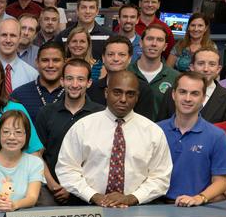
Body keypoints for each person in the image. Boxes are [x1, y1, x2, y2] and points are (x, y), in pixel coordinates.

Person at [55, 70, 172, 207]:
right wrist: (93, 196)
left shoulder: (153, 132)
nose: (123, 99)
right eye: (117, 92)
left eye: (130, 94)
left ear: (137, 97)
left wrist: (132, 198)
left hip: (137, 209)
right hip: (89, 207)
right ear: (106, 93)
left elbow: (160, 177)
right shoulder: (83, 127)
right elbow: (67, 169)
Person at [158, 72, 226, 207]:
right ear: (174, 94)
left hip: (197, 207)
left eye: (194, 93)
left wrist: (200, 198)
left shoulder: (217, 136)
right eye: (182, 92)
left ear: (203, 98)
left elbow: (221, 181)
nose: (187, 98)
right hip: (156, 206)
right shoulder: (156, 131)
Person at [36, 57, 103, 204]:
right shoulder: (46, 113)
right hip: (52, 191)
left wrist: (76, 188)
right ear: (62, 81)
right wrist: (54, 186)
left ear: (89, 83)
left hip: (90, 191)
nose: (74, 84)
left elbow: (101, 159)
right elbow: (37, 154)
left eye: (80, 79)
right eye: (69, 79)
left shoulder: (101, 114)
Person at [0, 110, 44, 211]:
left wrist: (14, 205)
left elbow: (32, 198)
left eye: (18, 132)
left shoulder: (35, 163)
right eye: (6, 132)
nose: (12, 137)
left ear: (27, 135)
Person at [164, 46, 226, 123]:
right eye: (201, 63)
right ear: (192, 67)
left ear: (218, 69)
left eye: (212, 64)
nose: (206, 69)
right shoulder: (172, 92)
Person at [130, 21, 176, 120]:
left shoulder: (175, 78)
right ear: (141, 43)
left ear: (165, 47)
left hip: (162, 133)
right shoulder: (125, 73)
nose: (154, 44)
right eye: (150, 39)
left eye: (159, 40)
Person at [10, 42, 65, 120]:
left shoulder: (73, 94)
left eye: (56, 60)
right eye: (45, 60)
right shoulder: (19, 95)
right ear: (37, 62)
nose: (50, 65)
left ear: (64, 63)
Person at [0, 17, 38, 92]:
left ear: (20, 38)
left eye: (13, 35)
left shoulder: (32, 74)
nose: (8, 40)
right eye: (4, 35)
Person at [87, 35, 135, 104]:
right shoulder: (91, 89)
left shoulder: (141, 89)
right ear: (103, 58)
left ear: (129, 59)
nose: (116, 59)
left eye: (121, 54)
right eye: (110, 54)